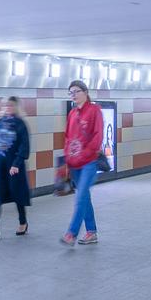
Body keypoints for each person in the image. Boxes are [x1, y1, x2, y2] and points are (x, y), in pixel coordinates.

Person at [60, 80, 104, 246]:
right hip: (74, 163)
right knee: (84, 196)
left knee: (80, 196)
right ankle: (91, 232)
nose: (74, 95)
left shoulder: (94, 110)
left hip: (89, 162)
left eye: (77, 91)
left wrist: (85, 154)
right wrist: (67, 158)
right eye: (71, 92)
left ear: (85, 92)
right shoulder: (72, 113)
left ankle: (71, 233)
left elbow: (98, 136)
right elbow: (67, 137)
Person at [0, 96, 32, 240]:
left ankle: (23, 222)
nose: (8, 108)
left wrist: (16, 164)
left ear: (16, 107)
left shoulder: (20, 124)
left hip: (13, 165)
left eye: (11, 105)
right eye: (5, 105)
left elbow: (24, 146)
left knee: (17, 194)